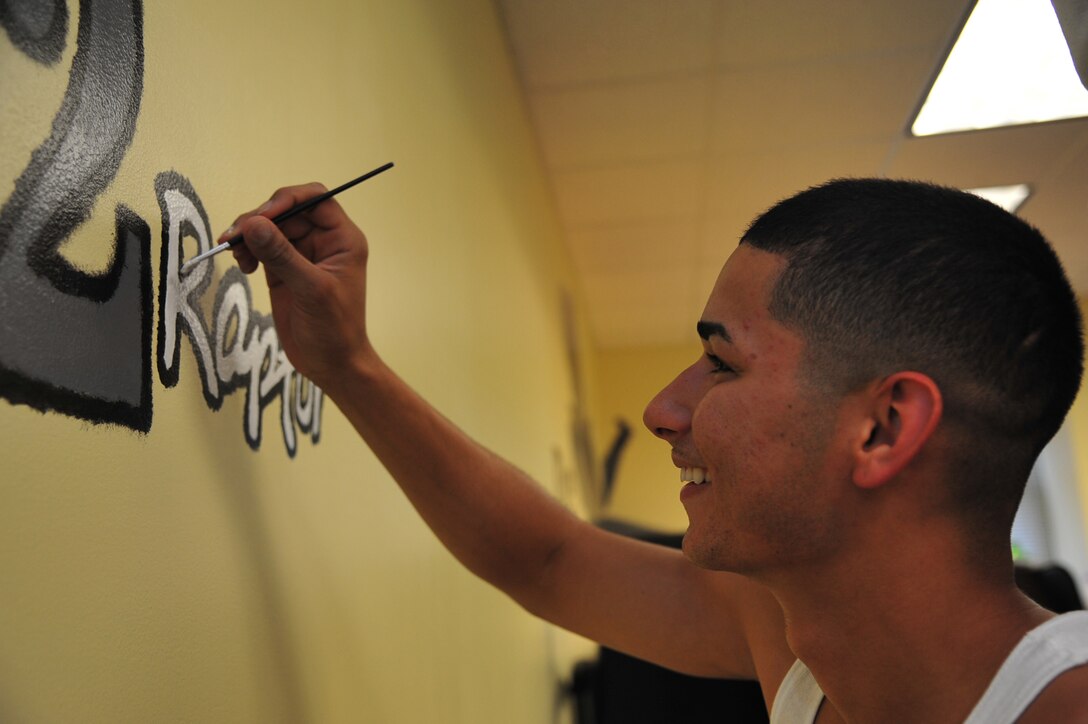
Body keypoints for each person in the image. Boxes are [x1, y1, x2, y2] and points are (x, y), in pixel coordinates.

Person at [227, 177, 1088, 723]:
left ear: (884, 427)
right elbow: (550, 559)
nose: (662, 410)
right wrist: (349, 365)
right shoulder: (799, 650)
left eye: (721, 363)